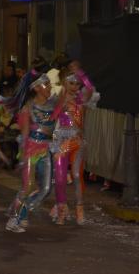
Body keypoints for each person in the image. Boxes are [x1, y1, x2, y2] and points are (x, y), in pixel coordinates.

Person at [5, 72, 57, 233]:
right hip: (31, 149)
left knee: (46, 188)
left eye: (49, 84)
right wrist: (22, 157)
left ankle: (21, 212)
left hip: (47, 149)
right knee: (27, 187)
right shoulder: (28, 108)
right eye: (45, 84)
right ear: (35, 88)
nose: (49, 87)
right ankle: (16, 217)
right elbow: (25, 134)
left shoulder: (54, 105)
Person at [51, 64, 94, 226]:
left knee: (76, 175)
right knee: (60, 179)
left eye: (77, 83)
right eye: (71, 83)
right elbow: (51, 117)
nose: (75, 86)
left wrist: (80, 73)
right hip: (61, 143)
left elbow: (89, 88)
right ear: (64, 83)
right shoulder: (58, 99)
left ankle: (79, 207)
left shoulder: (81, 100)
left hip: (77, 142)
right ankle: (62, 209)